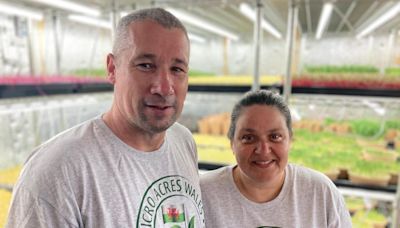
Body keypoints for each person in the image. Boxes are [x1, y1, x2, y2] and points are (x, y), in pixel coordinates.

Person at [7, 8, 205, 228]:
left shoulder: (183, 141)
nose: (164, 88)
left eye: (177, 69)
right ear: (112, 69)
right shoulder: (57, 171)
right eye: (146, 66)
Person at [200, 90, 352, 227]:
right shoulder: (203, 193)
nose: (263, 149)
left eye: (275, 137)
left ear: (290, 140)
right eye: (248, 138)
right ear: (232, 143)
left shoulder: (321, 192)